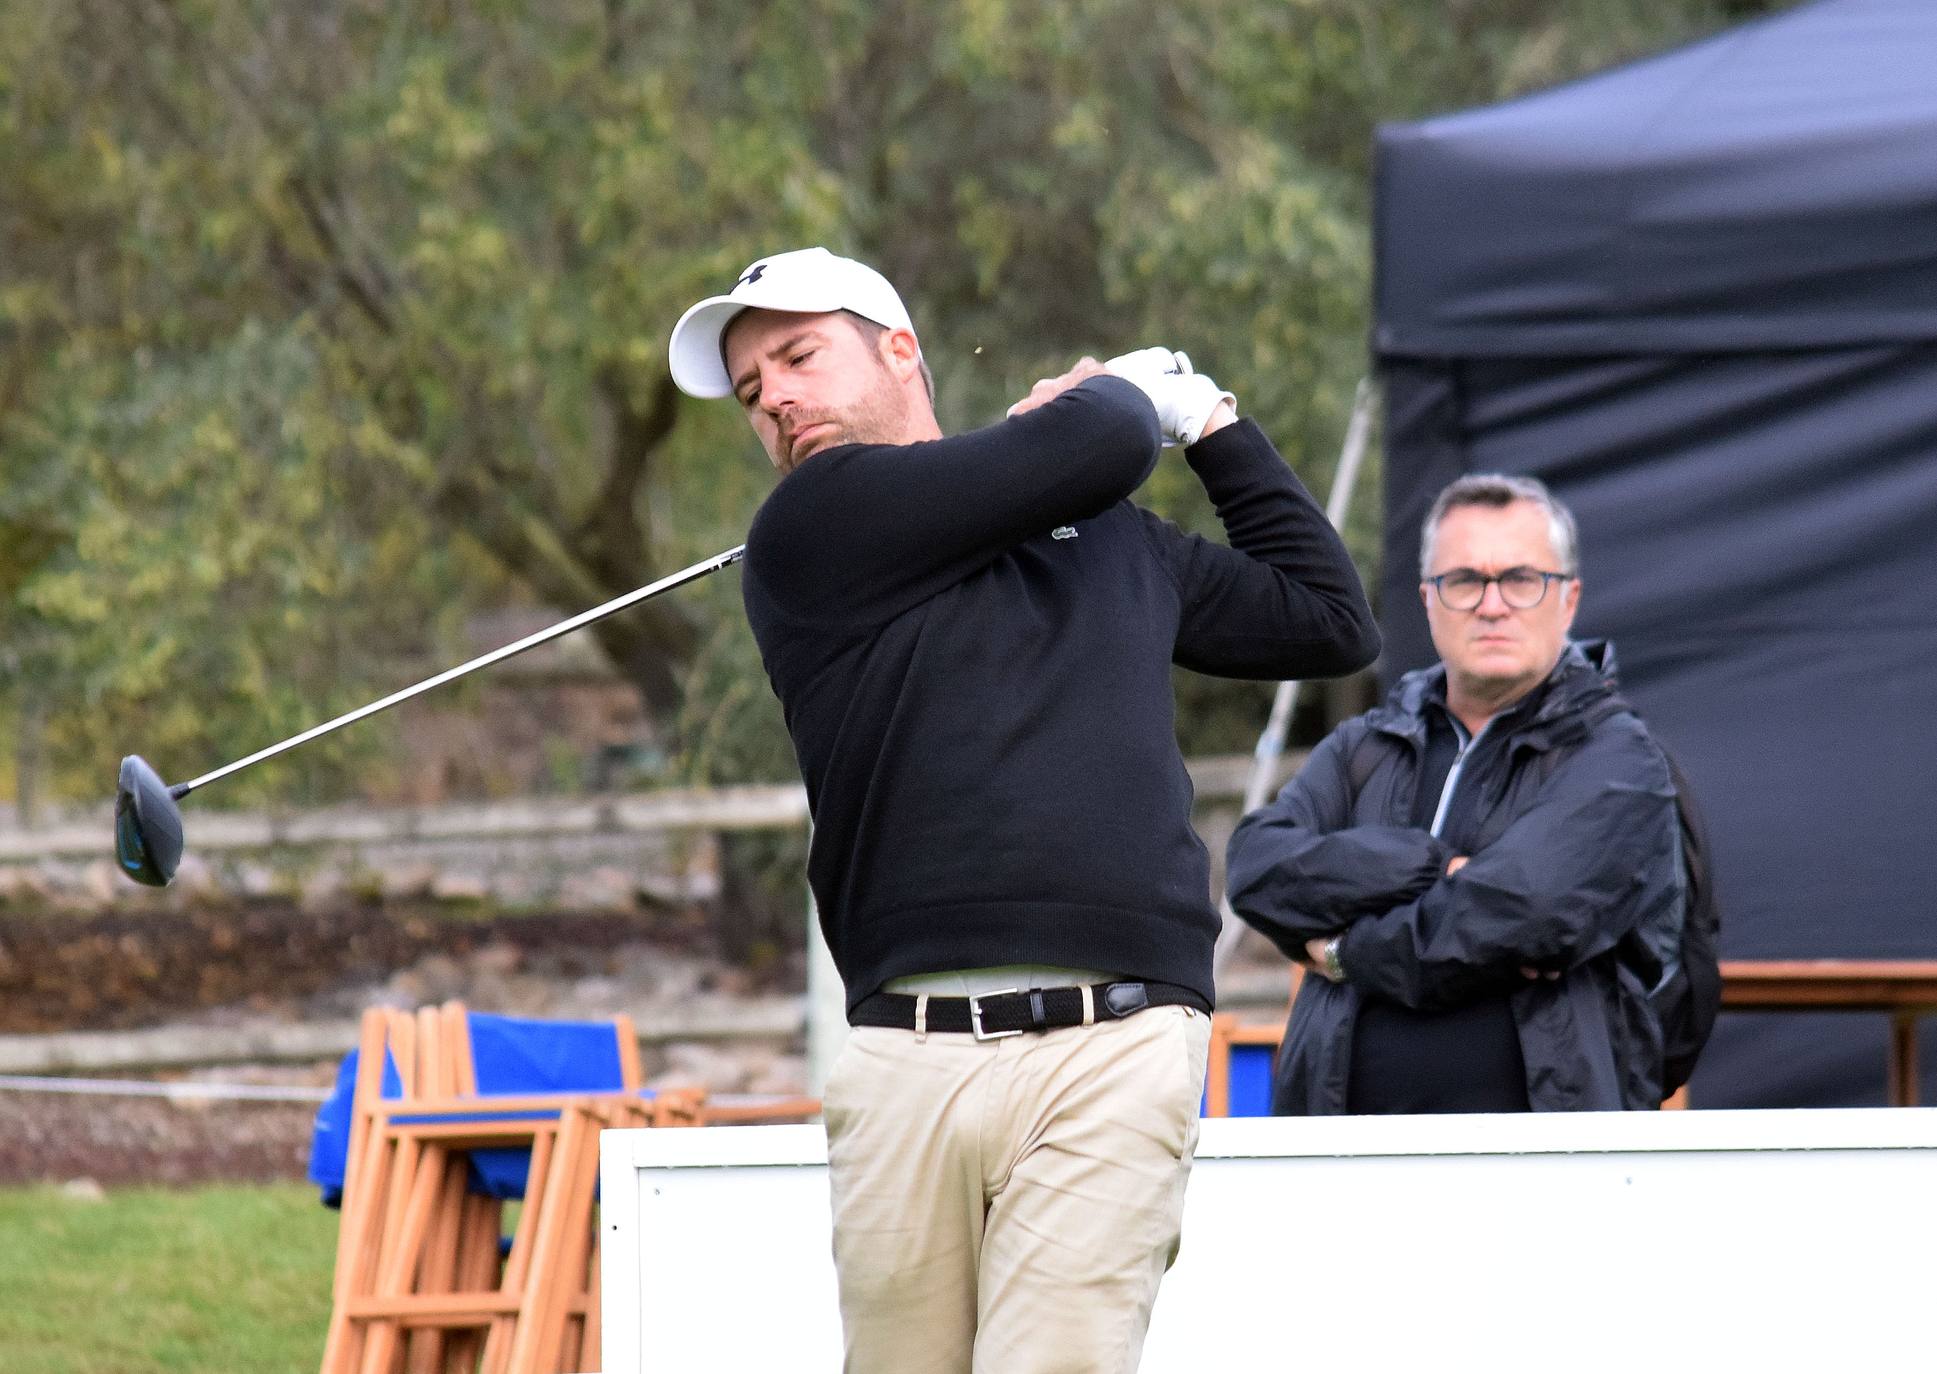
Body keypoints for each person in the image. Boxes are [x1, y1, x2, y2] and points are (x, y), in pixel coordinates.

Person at [667, 246, 1379, 1371]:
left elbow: (1327, 619)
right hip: (905, 1054)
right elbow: (1093, 439)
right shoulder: (813, 527)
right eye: (754, 393)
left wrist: (1209, 420)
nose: (777, 401)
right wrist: (1128, 394)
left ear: (901, 350)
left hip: (1113, 1043)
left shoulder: (1107, 537)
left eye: (798, 357)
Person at [1226, 473, 1682, 1114]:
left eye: (1521, 579)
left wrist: (1347, 951)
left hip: (1546, 1160)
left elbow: (1524, 913)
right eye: (1464, 580)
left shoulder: (1617, 757)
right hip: (1337, 1154)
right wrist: (1434, 867)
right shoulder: (1367, 744)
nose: (1492, 604)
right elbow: (1257, 866)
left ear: (1568, 600)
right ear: (1428, 599)